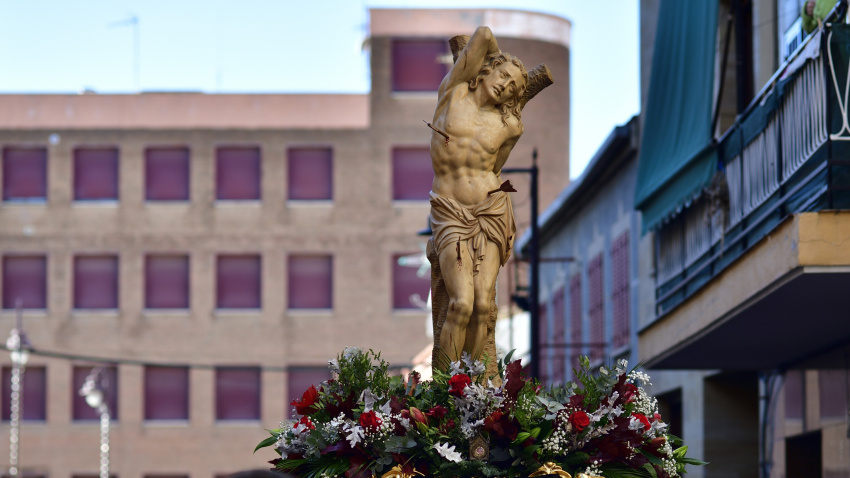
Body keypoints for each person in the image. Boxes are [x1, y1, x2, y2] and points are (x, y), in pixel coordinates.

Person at [428, 26, 528, 364]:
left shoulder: (509, 126)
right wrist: (499, 56)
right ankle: (447, 385)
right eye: (503, 74)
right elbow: (483, 34)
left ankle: (476, 384)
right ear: (488, 68)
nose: (505, 84)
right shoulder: (453, 92)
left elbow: (495, 168)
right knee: (461, 303)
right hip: (451, 211)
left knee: (483, 306)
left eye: (513, 87)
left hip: (490, 211)